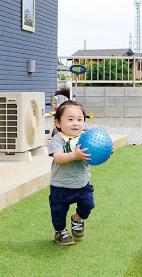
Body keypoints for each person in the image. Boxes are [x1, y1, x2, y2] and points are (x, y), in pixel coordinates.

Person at [48, 100, 95, 245]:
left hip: (82, 184)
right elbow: (58, 158)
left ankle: (77, 218)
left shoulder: (85, 139)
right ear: (58, 123)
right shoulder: (58, 139)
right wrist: (74, 155)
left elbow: (94, 155)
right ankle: (60, 231)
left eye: (80, 119)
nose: (76, 123)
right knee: (58, 212)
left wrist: (105, 152)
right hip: (61, 186)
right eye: (70, 119)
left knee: (88, 205)